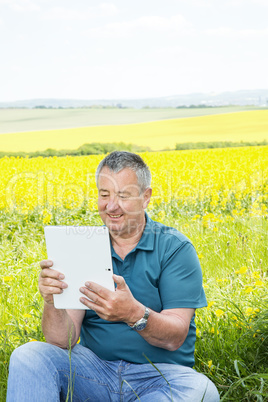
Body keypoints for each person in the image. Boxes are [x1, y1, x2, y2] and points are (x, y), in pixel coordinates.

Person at [7, 151, 220, 401]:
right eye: (104, 194)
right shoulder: (82, 247)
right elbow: (62, 340)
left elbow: (175, 337)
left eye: (123, 195)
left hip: (160, 377)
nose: (111, 206)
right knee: (28, 355)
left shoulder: (174, 248)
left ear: (145, 197)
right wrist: (52, 301)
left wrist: (134, 314)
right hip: (94, 372)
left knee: (202, 391)